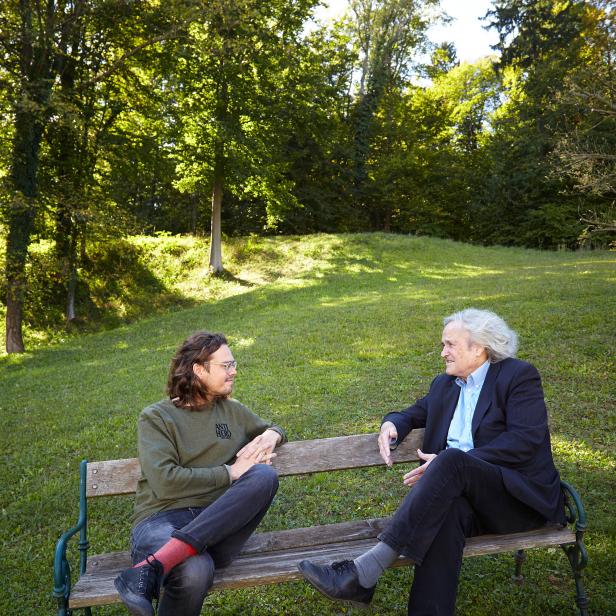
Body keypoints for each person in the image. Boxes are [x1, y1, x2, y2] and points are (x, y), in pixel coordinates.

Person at [298, 308, 565, 615]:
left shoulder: (517, 377)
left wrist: (451, 463)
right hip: (465, 503)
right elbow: (414, 412)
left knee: (452, 460)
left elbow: (525, 440)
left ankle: (363, 572)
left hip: (515, 501)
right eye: (443, 344)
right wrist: (392, 425)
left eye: (450, 344)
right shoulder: (445, 385)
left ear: (478, 347)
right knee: (445, 513)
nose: (442, 352)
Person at [114, 331, 285, 616]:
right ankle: (166, 559)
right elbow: (165, 483)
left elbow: (275, 427)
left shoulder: (233, 412)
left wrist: (272, 434)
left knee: (265, 477)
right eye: (226, 365)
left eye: (233, 364)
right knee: (195, 568)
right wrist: (228, 473)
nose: (234, 371)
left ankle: (152, 567)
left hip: (216, 524)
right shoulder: (156, 418)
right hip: (162, 519)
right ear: (198, 369)